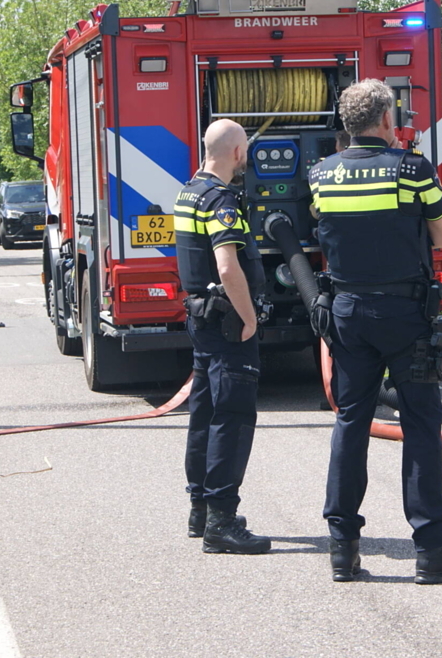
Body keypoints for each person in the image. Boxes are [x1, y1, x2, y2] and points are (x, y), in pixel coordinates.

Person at [310, 79, 442, 584]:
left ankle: (342, 549)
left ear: (347, 124)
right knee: (421, 425)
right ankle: (431, 550)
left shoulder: (322, 175)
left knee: (351, 423)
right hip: (405, 313)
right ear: (386, 119)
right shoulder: (412, 170)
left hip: (347, 312)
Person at [174, 118, 270, 555]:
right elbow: (228, 266)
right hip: (229, 324)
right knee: (233, 417)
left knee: (205, 412)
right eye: (244, 149)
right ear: (237, 153)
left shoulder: (189, 192)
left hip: (202, 319)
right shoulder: (221, 199)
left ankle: (200, 509)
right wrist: (249, 318)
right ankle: (222, 521)